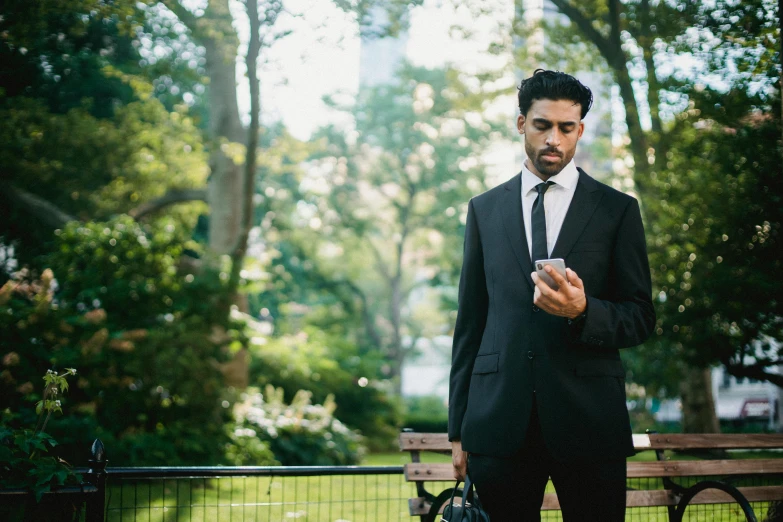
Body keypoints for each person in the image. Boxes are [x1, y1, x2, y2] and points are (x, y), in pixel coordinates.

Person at [448, 69, 655, 521]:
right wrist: (458, 430)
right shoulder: (484, 210)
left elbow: (641, 316)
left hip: (589, 421)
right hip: (498, 424)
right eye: (542, 125)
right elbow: (471, 323)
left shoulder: (618, 210)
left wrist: (585, 310)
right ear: (522, 123)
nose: (553, 140)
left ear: (580, 129)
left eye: (566, 128)